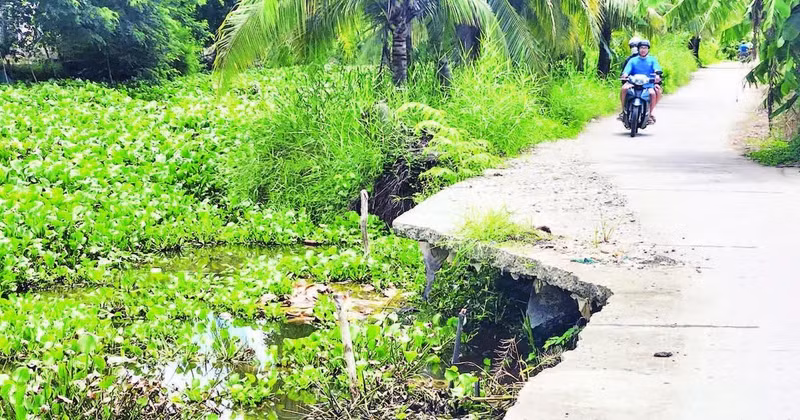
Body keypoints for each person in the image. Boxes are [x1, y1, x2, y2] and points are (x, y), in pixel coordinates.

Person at [619, 39, 662, 124]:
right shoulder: (632, 60)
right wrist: (625, 74)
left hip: (648, 84)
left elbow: (657, 69)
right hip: (633, 83)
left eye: (645, 48)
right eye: (641, 48)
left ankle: (650, 113)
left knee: (654, 93)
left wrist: (657, 75)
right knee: (624, 89)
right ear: (638, 49)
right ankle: (623, 110)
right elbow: (627, 70)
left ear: (648, 49)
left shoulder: (652, 60)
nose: (643, 50)